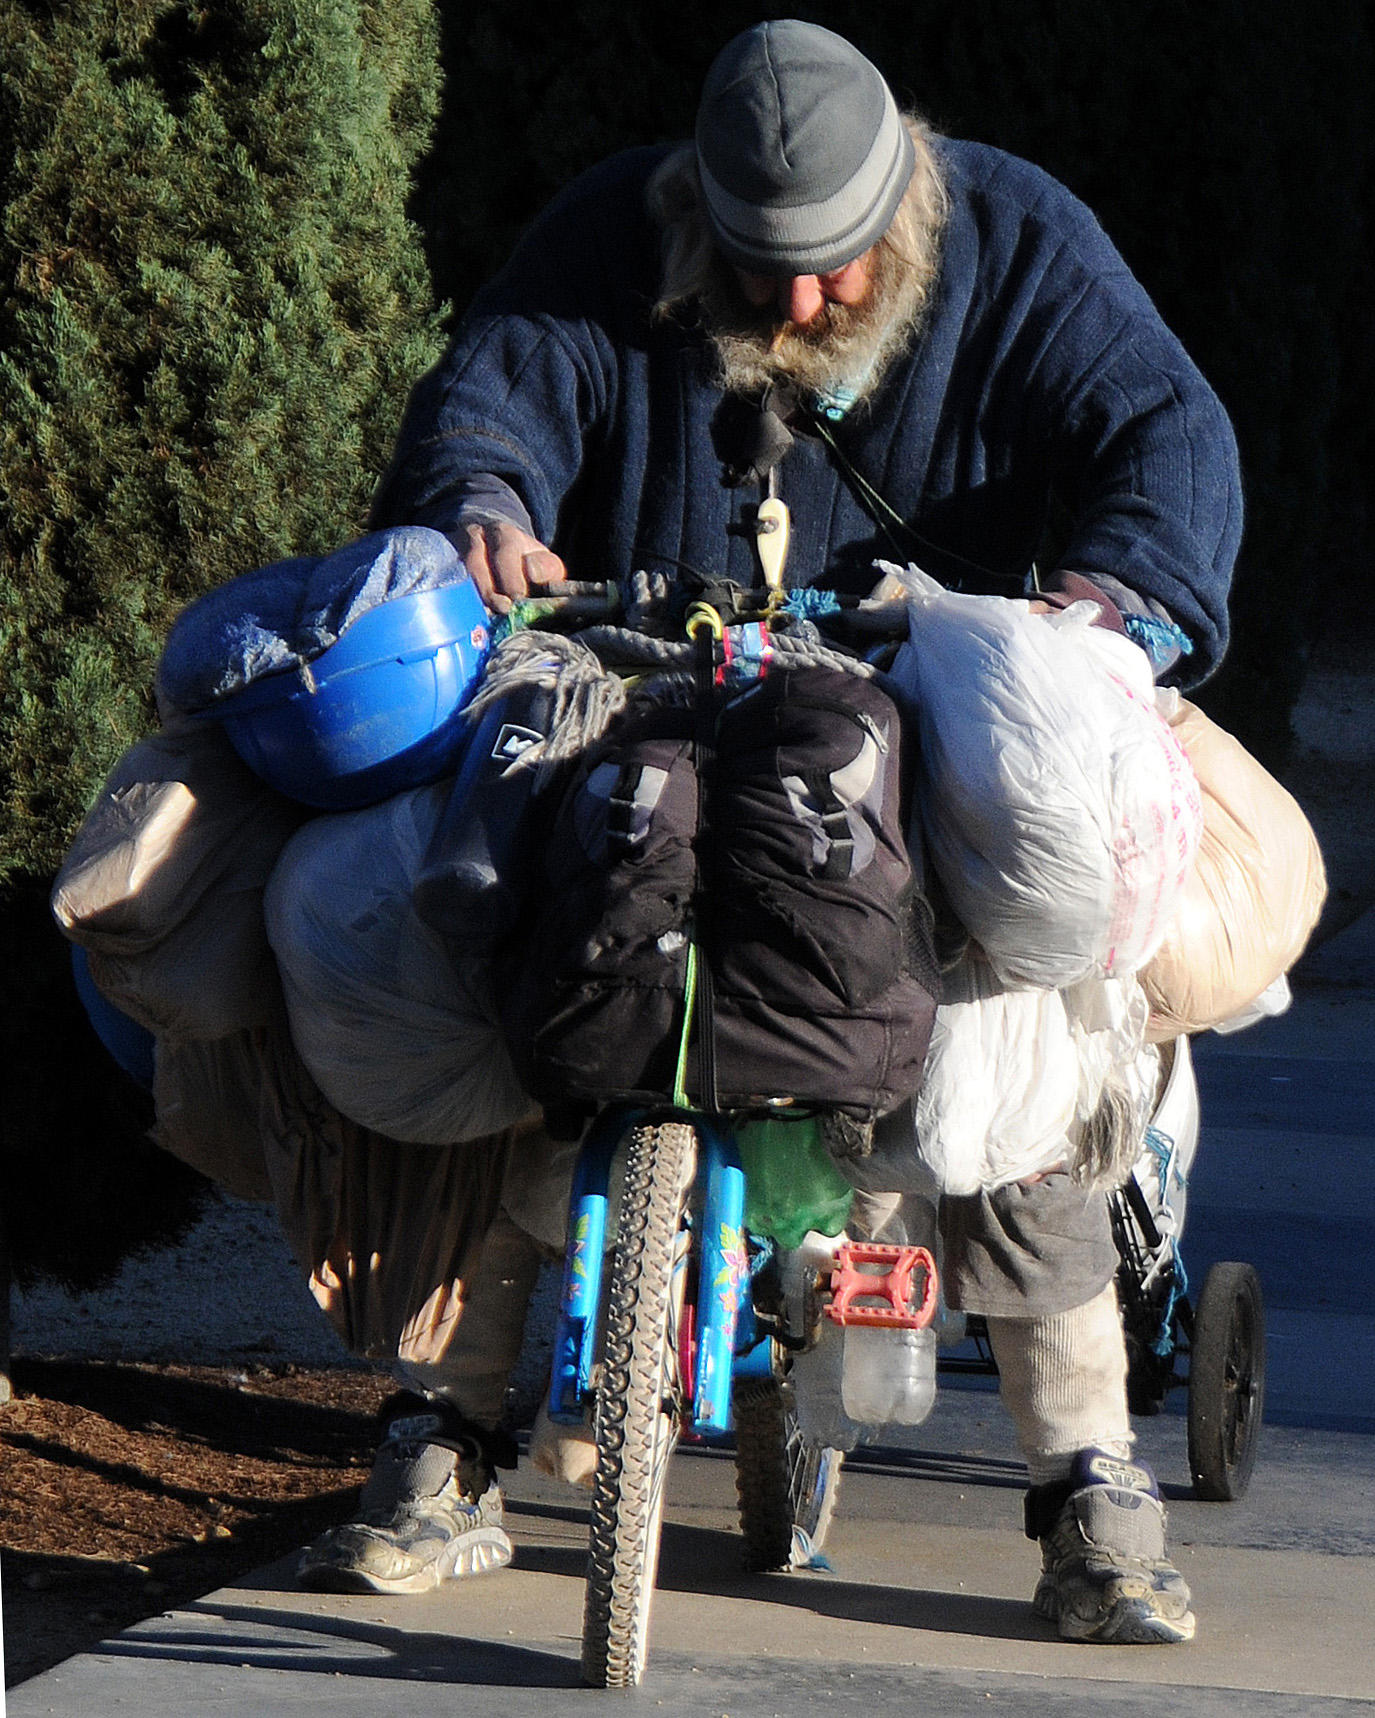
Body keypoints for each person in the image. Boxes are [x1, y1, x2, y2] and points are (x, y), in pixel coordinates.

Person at [297, 19, 1242, 1646]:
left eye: (837, 267)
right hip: (663, 688)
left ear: (910, 203)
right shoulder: (609, 233)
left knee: (1003, 1040)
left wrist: (1116, 600)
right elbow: (492, 409)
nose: (798, 305)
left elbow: (1169, 436)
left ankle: (1090, 1483)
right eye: (759, 269)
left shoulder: (1020, 242)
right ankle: (444, 1439)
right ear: (697, 216)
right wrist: (487, 514)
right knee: (552, 962)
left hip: (928, 727)